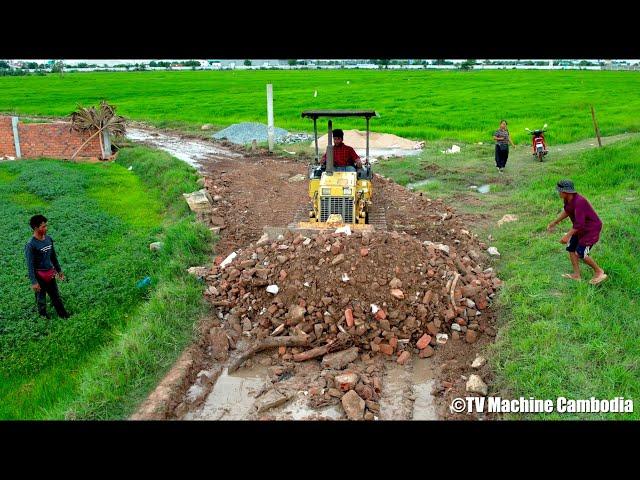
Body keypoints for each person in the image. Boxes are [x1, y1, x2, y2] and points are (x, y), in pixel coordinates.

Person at [547, 180, 607, 285]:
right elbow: (567, 211)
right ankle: (576, 275)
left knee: (581, 252)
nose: (559, 193)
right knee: (571, 247)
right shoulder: (568, 199)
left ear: (566, 192)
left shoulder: (579, 201)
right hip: (580, 227)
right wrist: (554, 222)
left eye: (560, 191)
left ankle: (599, 272)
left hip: (590, 229)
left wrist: (567, 235)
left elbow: (579, 224)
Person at [25, 214, 71, 319]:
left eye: (46, 226)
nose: (46, 228)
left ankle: (64, 315)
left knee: (56, 296)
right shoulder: (31, 245)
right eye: (43, 226)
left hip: (49, 273)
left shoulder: (48, 239)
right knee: (41, 299)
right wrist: (34, 282)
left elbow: (53, 257)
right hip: (39, 276)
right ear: (36, 228)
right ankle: (43, 319)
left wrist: (59, 271)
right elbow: (30, 265)